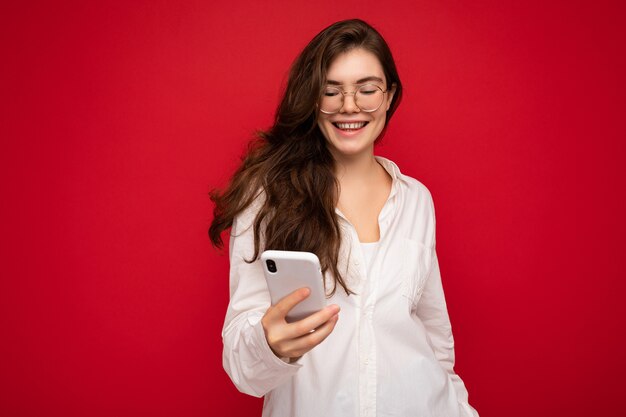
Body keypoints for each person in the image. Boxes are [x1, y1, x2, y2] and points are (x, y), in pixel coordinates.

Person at [209, 19, 479, 417]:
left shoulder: (417, 200)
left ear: (389, 96)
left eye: (367, 90)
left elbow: (436, 340)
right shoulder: (267, 198)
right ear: (311, 101)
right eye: (331, 92)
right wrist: (269, 345)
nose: (349, 106)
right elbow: (241, 365)